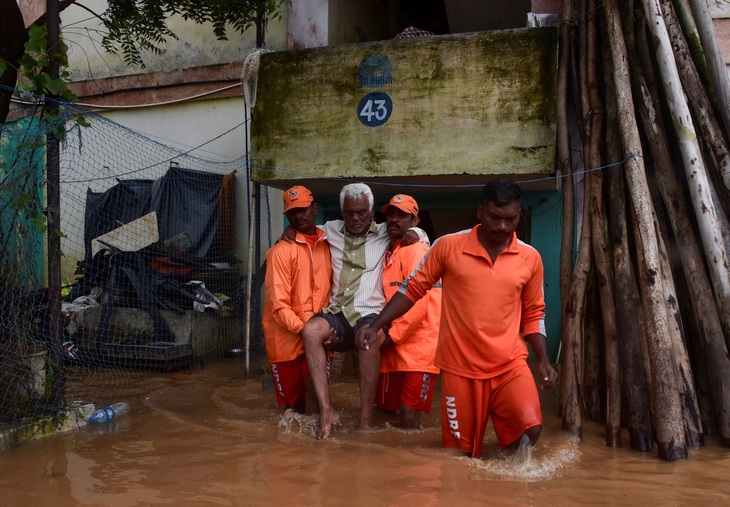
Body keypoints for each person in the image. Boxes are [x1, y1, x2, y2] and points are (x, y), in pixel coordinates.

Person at [357, 179, 557, 458]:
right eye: (495, 218)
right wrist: (376, 324)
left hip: (509, 364)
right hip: (459, 368)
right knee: (460, 457)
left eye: (511, 219)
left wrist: (544, 360)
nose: (502, 226)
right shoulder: (448, 246)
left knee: (529, 430)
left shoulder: (530, 258)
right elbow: (413, 289)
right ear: (479, 211)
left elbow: (535, 312)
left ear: (519, 214)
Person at [298, 183, 429, 439]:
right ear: (342, 212)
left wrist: (419, 232)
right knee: (311, 330)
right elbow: (305, 228)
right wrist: (291, 231)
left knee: (368, 339)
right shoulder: (330, 230)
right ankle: (327, 410)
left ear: (371, 212)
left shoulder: (384, 233)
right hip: (338, 312)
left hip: (369, 313)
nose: (355, 218)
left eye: (361, 212)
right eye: (349, 213)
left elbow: (418, 235)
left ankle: (365, 420)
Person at [357, 194, 441, 430]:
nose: (394, 219)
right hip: (393, 348)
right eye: (391, 214)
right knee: (385, 412)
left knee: (408, 418)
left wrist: (392, 337)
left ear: (415, 222)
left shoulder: (417, 250)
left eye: (402, 215)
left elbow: (419, 302)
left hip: (418, 349)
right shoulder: (390, 251)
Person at [262, 185, 332, 414]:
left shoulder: (329, 244)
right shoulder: (280, 252)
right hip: (285, 341)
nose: (299, 215)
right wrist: (308, 332)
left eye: (303, 209)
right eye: (292, 212)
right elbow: (278, 305)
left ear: (314, 209)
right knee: (292, 409)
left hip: (318, 337)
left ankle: (315, 449)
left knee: (316, 397)